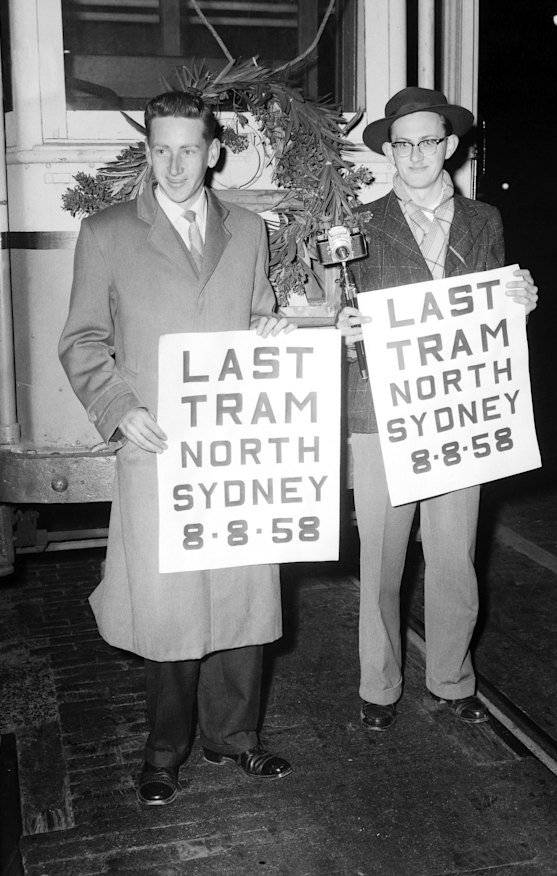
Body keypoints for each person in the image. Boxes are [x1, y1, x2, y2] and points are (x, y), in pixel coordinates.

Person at [59, 90, 295, 805]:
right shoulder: (107, 232)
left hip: (234, 451)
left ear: (213, 152)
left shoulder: (247, 230)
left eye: (188, 150)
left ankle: (236, 737)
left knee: (241, 594)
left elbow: (258, 316)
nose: (174, 165)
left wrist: (272, 330)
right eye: (161, 150)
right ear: (148, 152)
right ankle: (164, 752)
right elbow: (82, 341)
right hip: (156, 446)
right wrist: (119, 408)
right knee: (169, 607)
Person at [336, 87, 539, 731]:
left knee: (454, 556)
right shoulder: (358, 222)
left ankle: (451, 679)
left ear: (450, 146)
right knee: (381, 558)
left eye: (429, 141)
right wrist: (339, 324)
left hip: (459, 413)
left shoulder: (484, 221)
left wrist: (520, 300)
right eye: (404, 143)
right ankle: (378, 686)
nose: (417, 154)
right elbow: (332, 302)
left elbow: (492, 315)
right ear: (389, 152)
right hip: (379, 414)